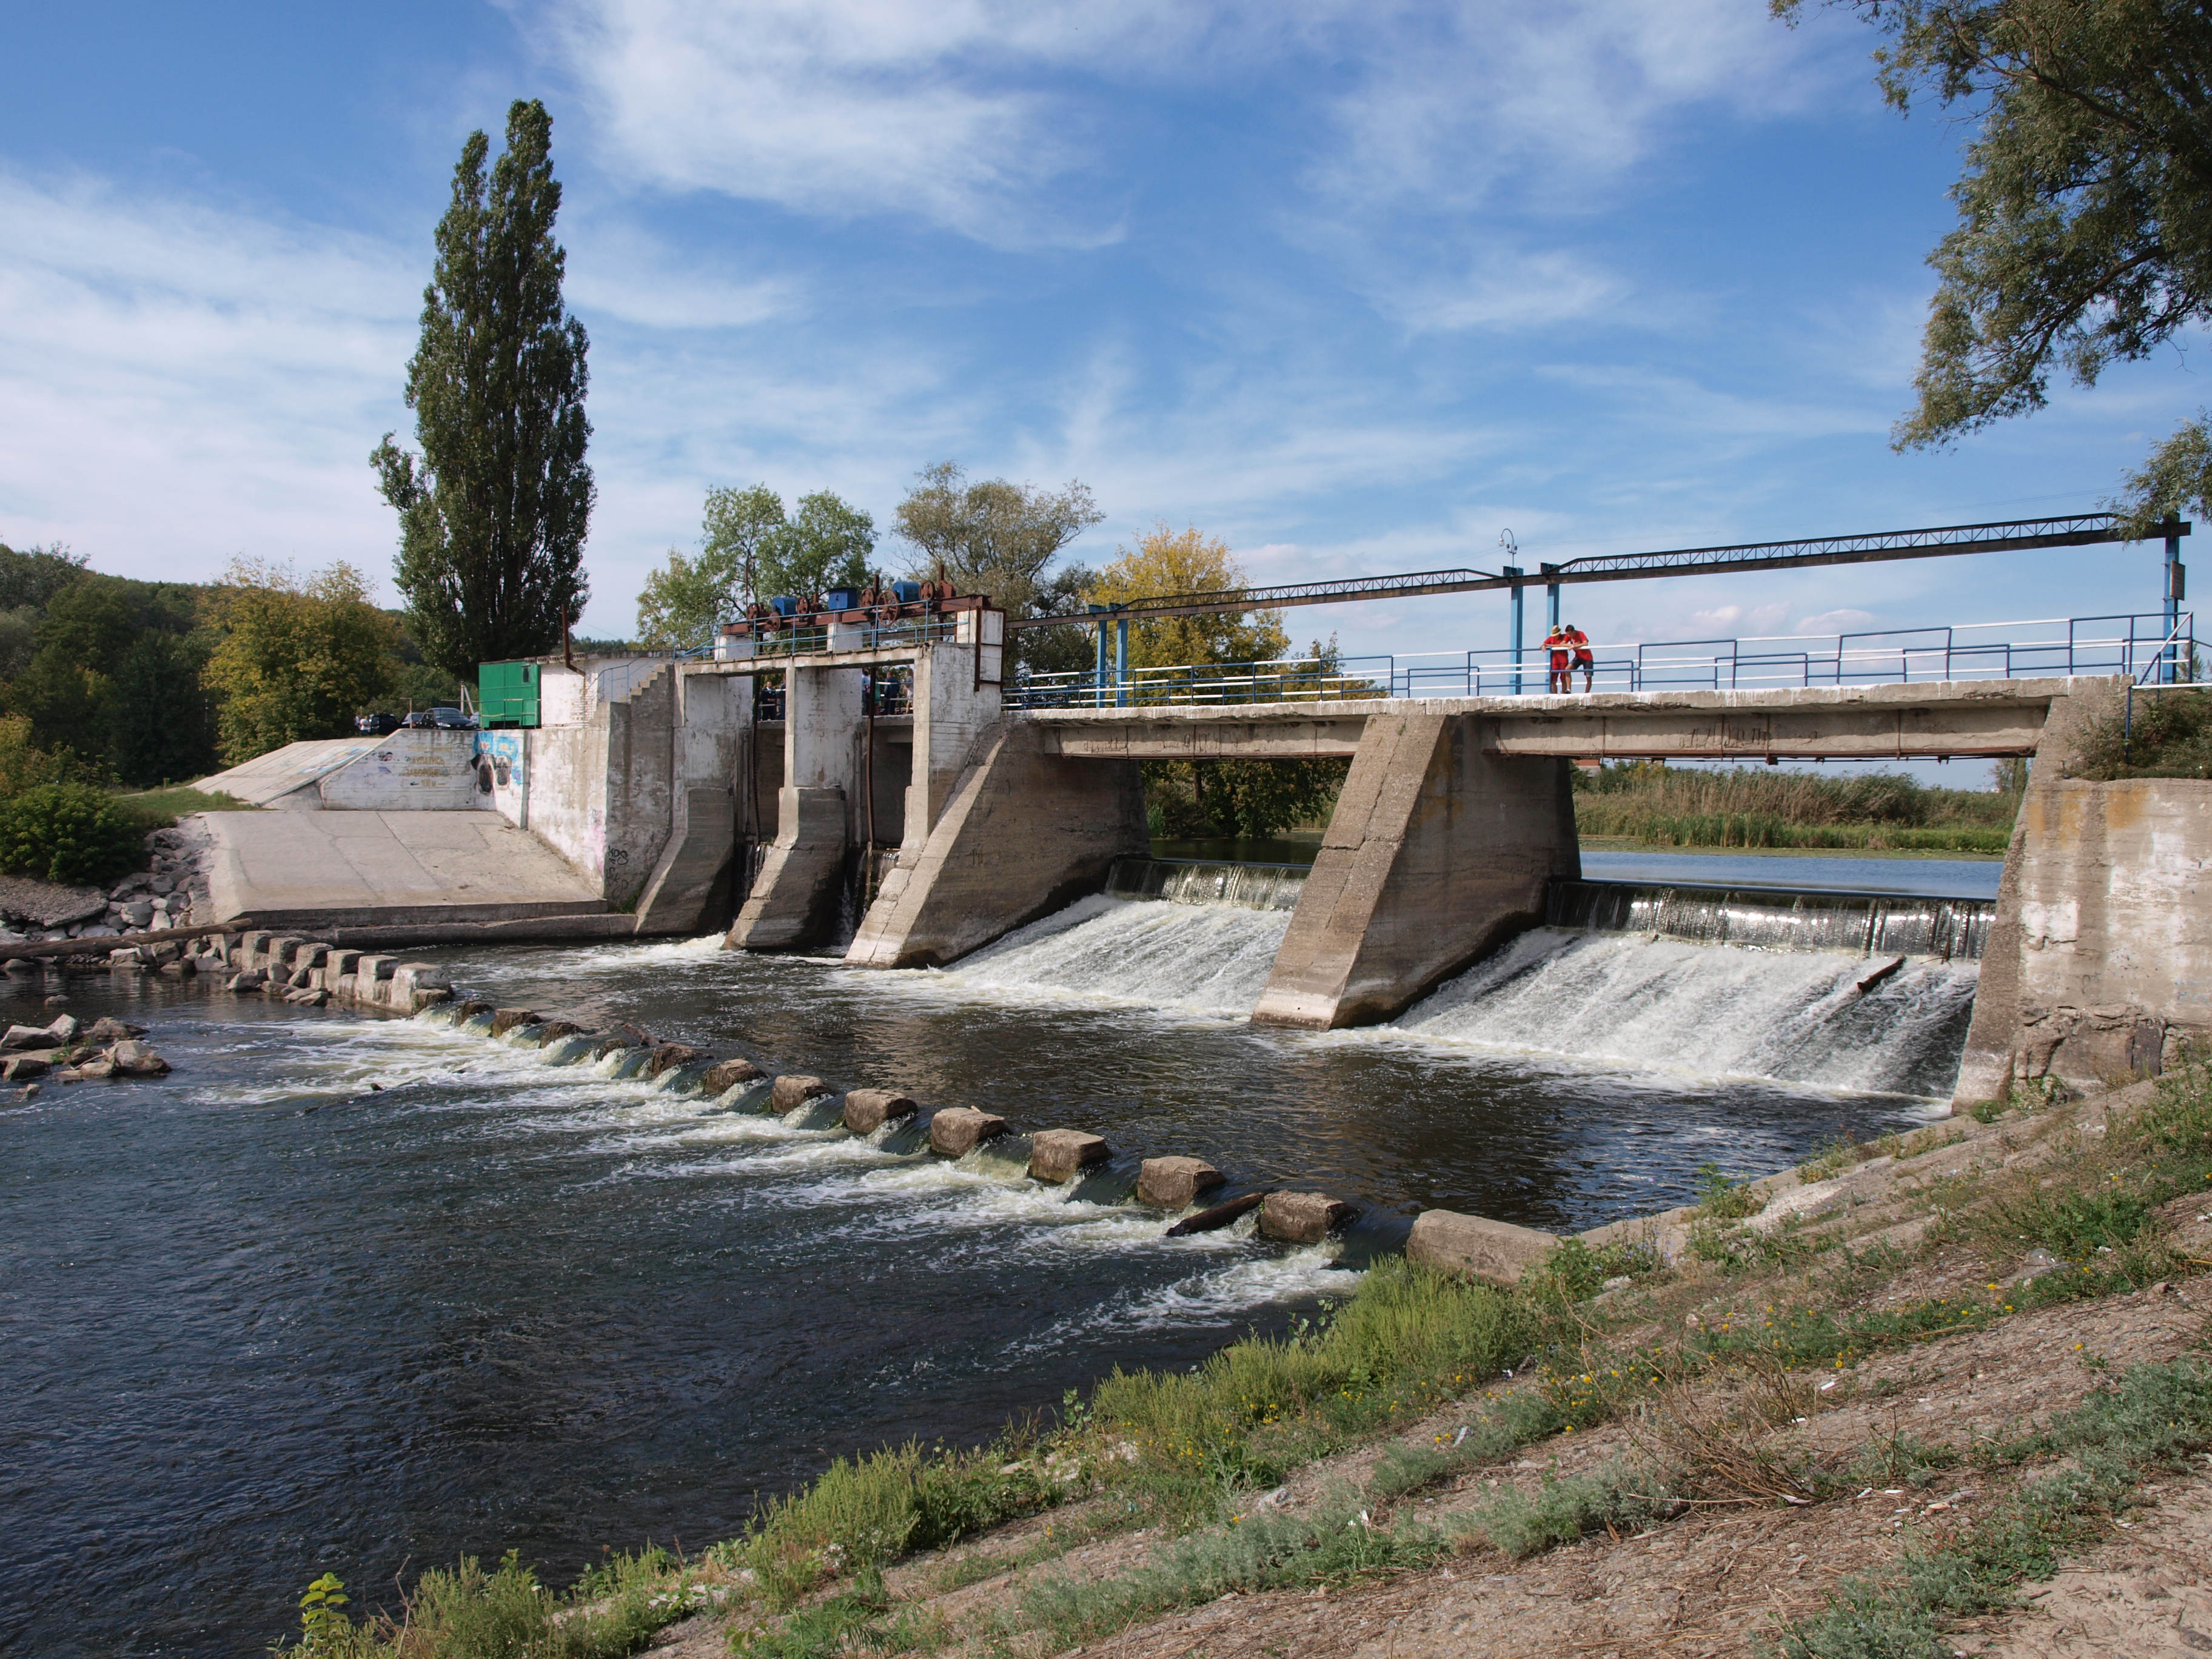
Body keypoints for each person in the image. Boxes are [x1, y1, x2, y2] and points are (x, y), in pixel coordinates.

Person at [1565, 622, 1595, 691]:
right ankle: (1569, 689)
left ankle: (1586, 693)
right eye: (1568, 634)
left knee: (1588, 677)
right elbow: (1562, 644)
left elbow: (1585, 643)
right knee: (1567, 669)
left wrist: (1575, 646)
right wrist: (1570, 646)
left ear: (1574, 631)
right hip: (1578, 657)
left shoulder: (1580, 633)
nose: (1569, 636)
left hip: (1587, 657)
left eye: (1570, 634)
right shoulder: (1568, 636)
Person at [1543, 624, 1571, 694]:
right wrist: (1544, 645)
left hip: (1563, 660)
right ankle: (1555, 694)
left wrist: (1548, 645)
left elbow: (1561, 645)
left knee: (1563, 677)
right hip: (1555, 661)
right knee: (1553, 679)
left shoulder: (1564, 637)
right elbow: (1544, 643)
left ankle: (1564, 692)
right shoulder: (1551, 638)